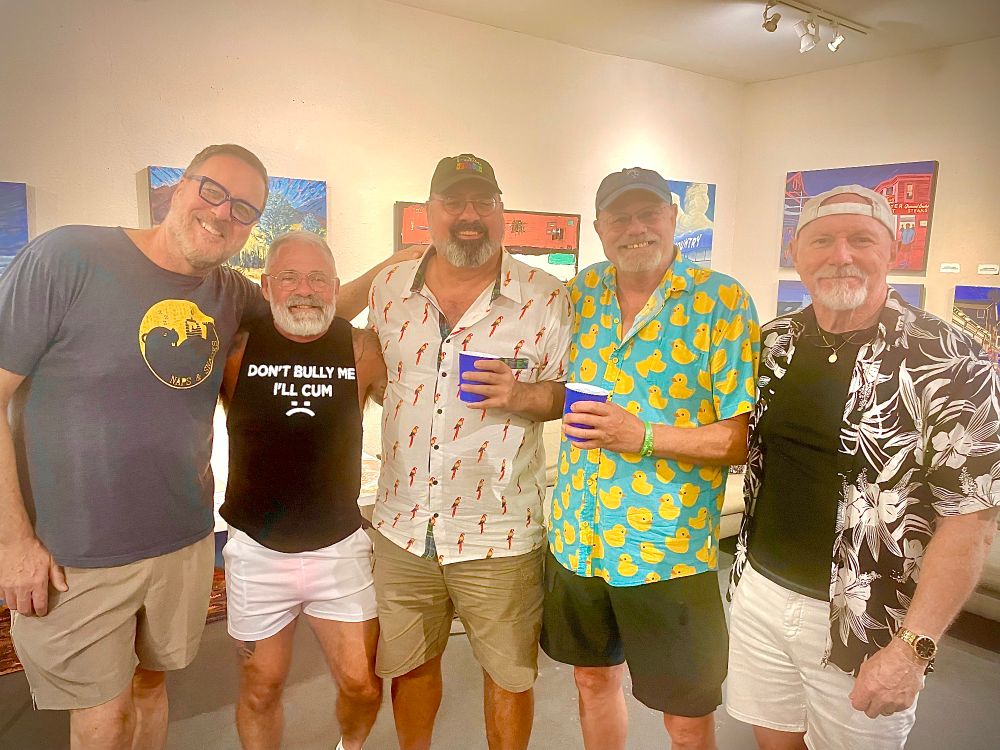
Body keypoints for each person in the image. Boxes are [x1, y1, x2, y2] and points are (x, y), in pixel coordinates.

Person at [0, 143, 409, 750]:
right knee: (102, 718)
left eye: (243, 208)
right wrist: (11, 541)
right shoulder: (68, 256)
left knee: (150, 688)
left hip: (181, 543)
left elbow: (308, 308)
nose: (222, 213)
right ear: (178, 188)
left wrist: (395, 263)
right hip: (78, 551)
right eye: (212, 191)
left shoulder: (228, 295)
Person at [725, 185, 1000, 750]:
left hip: (867, 619)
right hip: (758, 591)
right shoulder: (772, 344)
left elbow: (971, 519)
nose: (841, 255)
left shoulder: (949, 358)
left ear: (893, 250)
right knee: (772, 740)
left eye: (861, 240)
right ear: (796, 253)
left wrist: (913, 649)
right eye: (822, 240)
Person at [540, 167, 760, 750]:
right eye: (620, 217)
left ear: (673, 217)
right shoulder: (581, 293)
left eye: (649, 214)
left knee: (685, 718)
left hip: (666, 553)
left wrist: (641, 435)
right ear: (599, 228)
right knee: (592, 682)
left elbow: (739, 441)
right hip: (578, 540)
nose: (635, 228)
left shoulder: (722, 301)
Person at [367, 153, 572, 750]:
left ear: (502, 210)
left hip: (500, 530)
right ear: (429, 211)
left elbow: (570, 392)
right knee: (410, 666)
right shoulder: (389, 290)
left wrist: (524, 394)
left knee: (508, 675)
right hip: (403, 524)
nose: (469, 215)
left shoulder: (544, 297)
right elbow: (379, 372)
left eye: (484, 202)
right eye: (454, 202)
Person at [219, 231, 385, 750]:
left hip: (339, 547)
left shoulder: (361, 348)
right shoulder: (236, 348)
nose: (304, 289)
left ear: (336, 287)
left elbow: (424, 399)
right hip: (257, 548)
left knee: (362, 685)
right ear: (266, 285)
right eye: (289, 277)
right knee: (261, 685)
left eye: (317, 278)